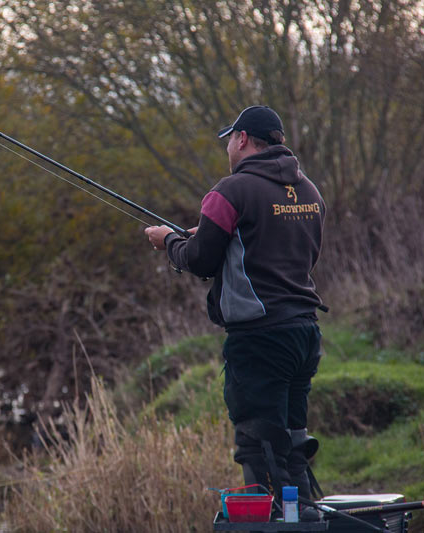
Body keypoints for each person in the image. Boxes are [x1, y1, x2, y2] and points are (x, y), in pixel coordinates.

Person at [145, 105, 326, 515]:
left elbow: (201, 260)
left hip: (259, 338)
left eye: (231, 138)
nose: (229, 146)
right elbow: (285, 248)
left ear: (242, 139)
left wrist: (169, 243)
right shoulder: (310, 192)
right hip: (304, 332)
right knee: (293, 438)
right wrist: (209, 235)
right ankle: (306, 513)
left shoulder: (230, 190)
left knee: (258, 440)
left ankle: (273, 520)